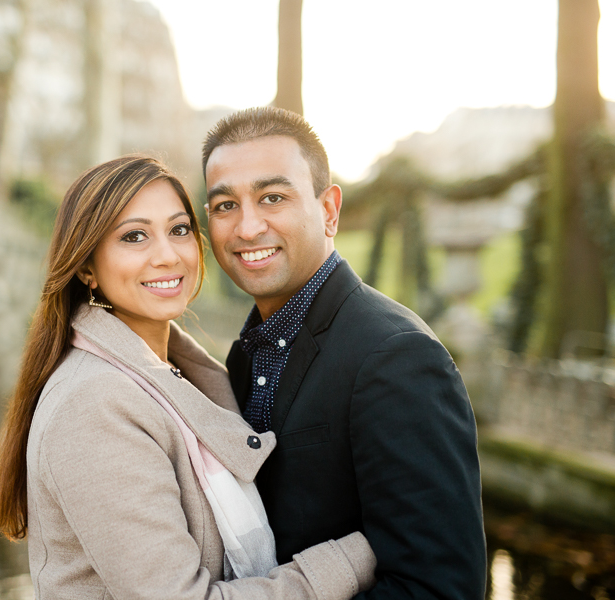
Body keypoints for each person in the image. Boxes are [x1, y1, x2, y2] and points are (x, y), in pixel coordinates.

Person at [0, 155, 377, 599]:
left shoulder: (181, 375)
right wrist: (357, 555)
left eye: (179, 230)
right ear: (86, 268)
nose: (167, 255)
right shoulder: (95, 404)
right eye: (134, 236)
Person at [202, 107, 487, 600]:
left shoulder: (397, 357)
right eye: (225, 205)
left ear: (329, 211)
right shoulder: (245, 356)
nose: (247, 227)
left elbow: (440, 587)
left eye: (273, 198)